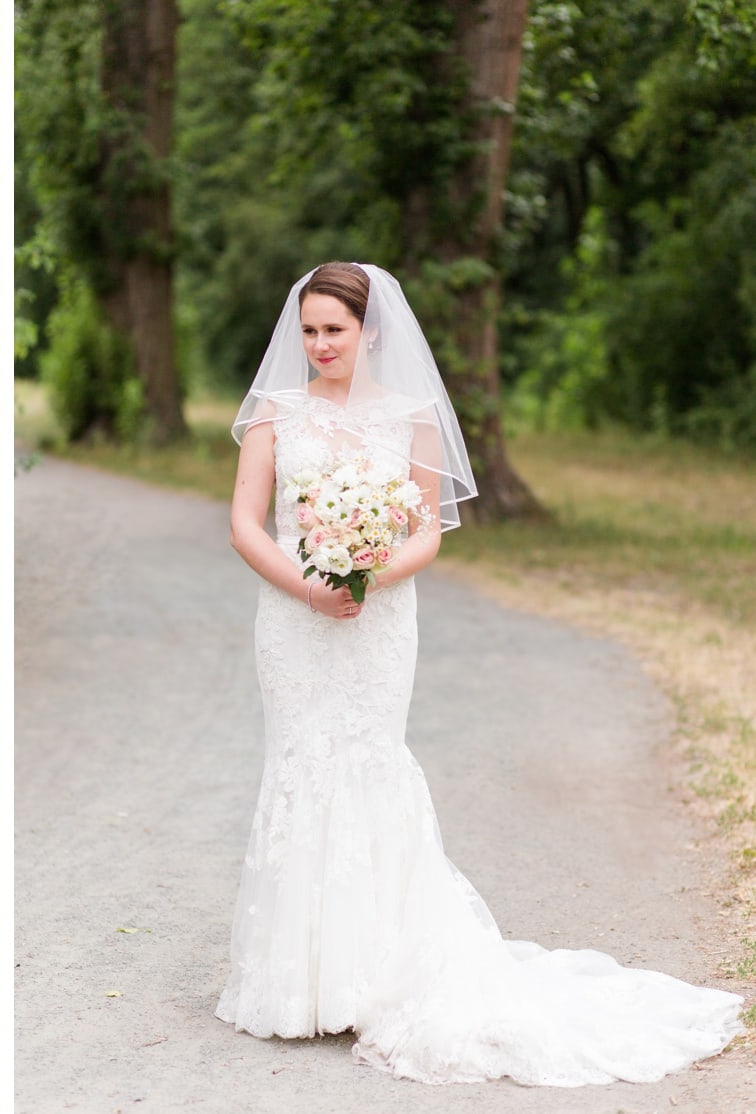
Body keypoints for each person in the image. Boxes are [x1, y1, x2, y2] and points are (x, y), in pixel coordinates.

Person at [216, 261, 743, 1084]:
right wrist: (310, 588)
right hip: (293, 618)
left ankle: (373, 971)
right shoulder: (273, 418)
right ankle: (299, 983)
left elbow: (426, 531)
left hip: (379, 619)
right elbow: (248, 526)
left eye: (335, 330)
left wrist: (369, 576)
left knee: (370, 757)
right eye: (310, 330)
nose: (320, 345)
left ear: (369, 332)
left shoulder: (413, 416)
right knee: (301, 759)